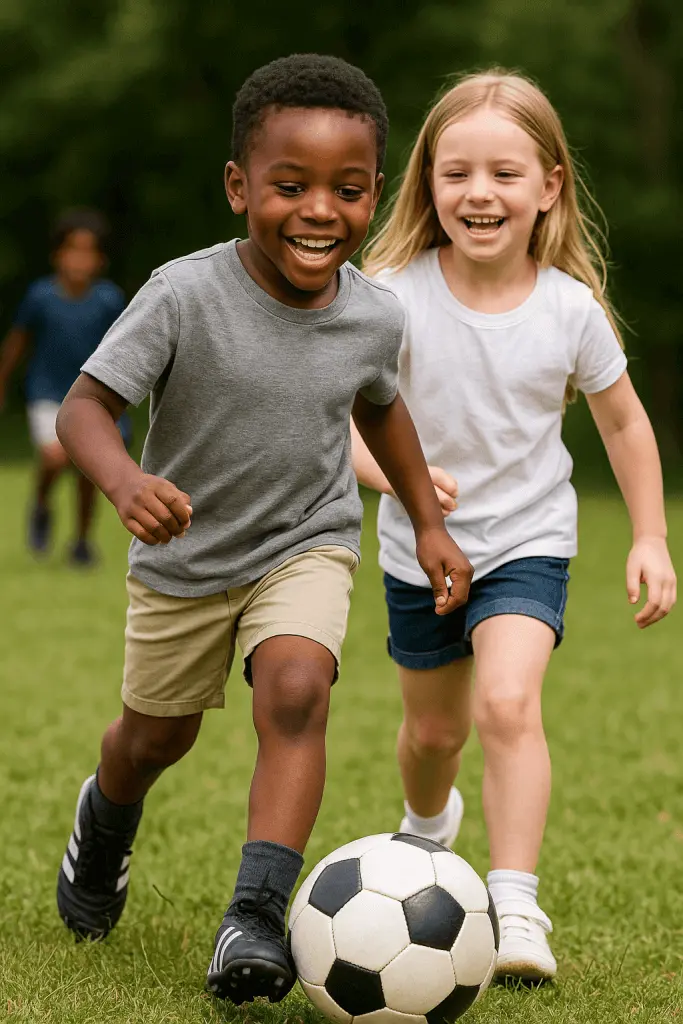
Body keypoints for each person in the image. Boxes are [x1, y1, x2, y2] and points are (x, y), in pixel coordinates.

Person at [53, 54, 472, 1005]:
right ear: (241, 186)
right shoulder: (183, 294)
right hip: (184, 554)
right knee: (152, 742)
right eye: (291, 186)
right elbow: (85, 406)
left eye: (348, 190)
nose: (319, 210)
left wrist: (424, 520)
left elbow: (380, 411)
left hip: (305, 539)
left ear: (374, 195)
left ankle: (253, 916)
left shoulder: (372, 313)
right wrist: (123, 481)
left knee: (295, 690)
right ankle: (106, 815)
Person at [353, 69, 676, 982]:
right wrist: (401, 482)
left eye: (503, 173)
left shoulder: (568, 308)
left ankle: (515, 905)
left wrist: (649, 535)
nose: (478, 193)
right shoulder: (387, 294)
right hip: (421, 547)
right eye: (456, 173)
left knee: (505, 705)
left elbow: (623, 422)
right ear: (428, 183)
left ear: (548, 187)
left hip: (528, 540)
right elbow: (338, 420)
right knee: (432, 737)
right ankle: (426, 830)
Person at [0, 209, 127, 565]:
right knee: (54, 456)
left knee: (89, 469)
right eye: (73, 249)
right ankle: (41, 504)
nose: (79, 259)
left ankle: (82, 541)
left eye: (88, 251)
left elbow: (125, 349)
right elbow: (17, 342)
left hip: (92, 398)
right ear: (57, 254)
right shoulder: (40, 296)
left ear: (100, 259)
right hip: (47, 393)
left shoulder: (108, 300)